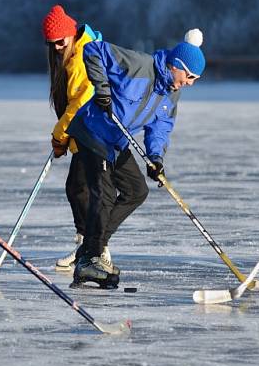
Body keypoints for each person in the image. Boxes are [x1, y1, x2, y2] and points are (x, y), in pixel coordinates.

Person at [66, 28, 206, 288]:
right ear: (177, 66)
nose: (190, 83)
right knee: (104, 193)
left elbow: (161, 127)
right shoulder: (139, 65)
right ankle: (91, 258)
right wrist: (103, 89)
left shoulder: (171, 93)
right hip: (94, 131)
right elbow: (93, 50)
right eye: (189, 76)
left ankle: (90, 251)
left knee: (136, 190)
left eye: (195, 79)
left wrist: (155, 158)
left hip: (117, 141)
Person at [40, 5, 110, 273]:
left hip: (95, 133)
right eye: (52, 43)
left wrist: (60, 135)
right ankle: (87, 247)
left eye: (60, 41)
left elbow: (79, 103)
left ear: (71, 35)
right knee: (78, 189)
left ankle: (95, 250)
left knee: (85, 190)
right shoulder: (71, 54)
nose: (57, 47)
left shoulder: (82, 56)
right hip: (84, 133)